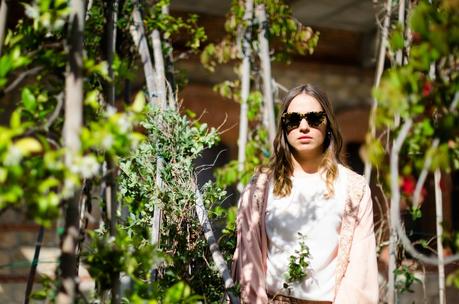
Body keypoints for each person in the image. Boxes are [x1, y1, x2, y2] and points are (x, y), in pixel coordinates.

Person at [231, 84, 378, 304]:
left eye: (314, 118)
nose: (303, 126)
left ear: (328, 123)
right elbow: (247, 264)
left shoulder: (353, 189)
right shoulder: (260, 188)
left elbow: (361, 272)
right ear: (284, 127)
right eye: (293, 120)